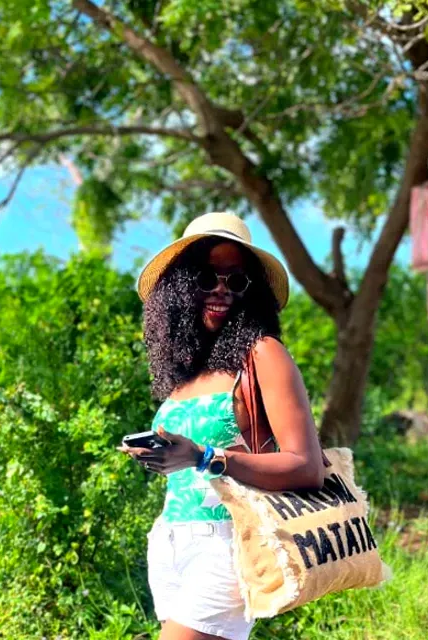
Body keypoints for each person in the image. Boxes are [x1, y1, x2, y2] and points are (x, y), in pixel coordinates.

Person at [120, 211, 326, 640]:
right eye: (207, 278)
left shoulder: (263, 353)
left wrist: (203, 457)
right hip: (170, 542)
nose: (221, 291)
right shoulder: (186, 371)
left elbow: (307, 467)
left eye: (236, 281)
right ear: (180, 287)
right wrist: (163, 455)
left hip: (227, 543)